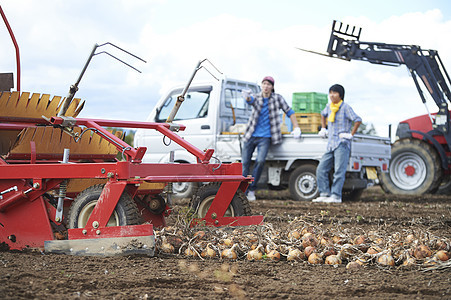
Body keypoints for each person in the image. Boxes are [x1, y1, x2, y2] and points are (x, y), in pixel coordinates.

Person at [242, 76, 301, 201]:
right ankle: (243, 191)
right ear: (261, 86)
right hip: (251, 135)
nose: (266, 86)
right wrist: (247, 96)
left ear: (272, 87)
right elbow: (249, 100)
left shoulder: (277, 98)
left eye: (268, 84)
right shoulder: (256, 97)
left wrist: (296, 127)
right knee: (245, 164)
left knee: (260, 161)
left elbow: (289, 111)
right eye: (264, 84)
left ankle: (252, 189)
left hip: (266, 137)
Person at [313, 84, 362, 203]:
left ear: (340, 95)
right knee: (321, 168)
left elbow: (358, 120)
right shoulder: (329, 107)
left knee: (339, 171)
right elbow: (323, 115)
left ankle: (336, 195)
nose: (332, 95)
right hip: (331, 143)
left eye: (334, 93)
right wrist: (323, 128)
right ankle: (324, 193)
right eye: (330, 92)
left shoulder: (345, 107)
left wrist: (351, 134)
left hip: (342, 143)